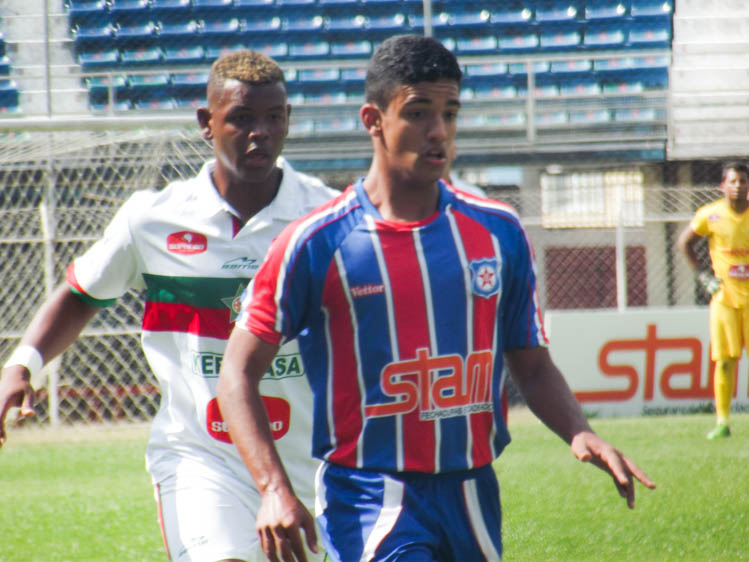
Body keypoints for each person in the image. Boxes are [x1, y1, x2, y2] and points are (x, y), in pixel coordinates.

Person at [217, 35, 655, 562]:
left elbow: (532, 365)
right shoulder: (316, 242)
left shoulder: (498, 231)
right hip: (370, 495)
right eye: (418, 112)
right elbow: (237, 371)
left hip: (473, 491)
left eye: (450, 113)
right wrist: (272, 489)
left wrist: (580, 432)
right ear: (372, 120)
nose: (438, 131)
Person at [0, 50, 337, 562]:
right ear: (207, 123)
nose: (260, 132)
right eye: (242, 118)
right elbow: (80, 294)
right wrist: (22, 364)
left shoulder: (327, 217)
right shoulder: (153, 219)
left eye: (273, 117)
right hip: (201, 459)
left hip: (316, 464)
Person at [677, 161, 749, 439]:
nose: (738, 186)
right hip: (725, 298)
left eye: (742, 181)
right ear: (723, 186)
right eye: (733, 181)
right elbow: (685, 242)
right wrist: (702, 276)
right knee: (725, 361)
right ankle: (722, 421)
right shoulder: (711, 215)